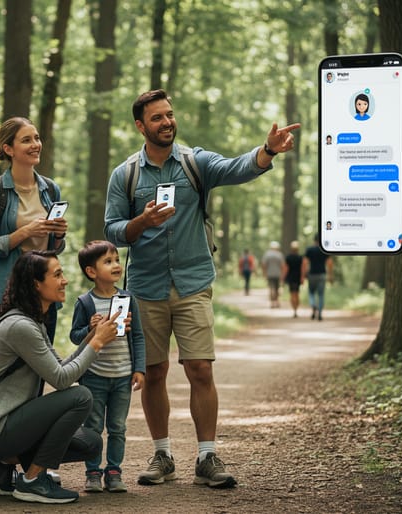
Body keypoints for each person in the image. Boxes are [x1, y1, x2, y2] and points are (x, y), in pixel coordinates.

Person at [103, 89, 299, 489]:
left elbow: (237, 168)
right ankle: (163, 455)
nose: (167, 122)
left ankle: (208, 456)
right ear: (141, 126)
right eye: (157, 118)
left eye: (170, 115)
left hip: (193, 282)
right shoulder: (126, 174)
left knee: (200, 369)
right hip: (145, 287)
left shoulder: (196, 163)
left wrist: (267, 151)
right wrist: (141, 222)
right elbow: (112, 230)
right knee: (154, 373)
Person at [0, 250, 121, 504]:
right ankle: (32, 480)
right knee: (81, 396)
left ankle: (4, 464)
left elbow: (60, 366)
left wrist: (92, 336)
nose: (65, 280)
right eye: (57, 274)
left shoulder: (33, 322)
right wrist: (97, 344)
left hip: (2, 426)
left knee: (90, 444)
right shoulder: (21, 327)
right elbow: (61, 380)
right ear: (36, 284)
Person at [0, 117, 68, 342]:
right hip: (7, 295)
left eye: (36, 138)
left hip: (45, 293)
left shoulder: (51, 189)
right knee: (8, 371)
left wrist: (59, 235)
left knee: (40, 371)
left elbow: (56, 247)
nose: (35, 144)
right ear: (8, 149)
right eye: (26, 140)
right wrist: (25, 232)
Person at [69, 240, 146, 494]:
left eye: (116, 260)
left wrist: (140, 368)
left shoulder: (127, 298)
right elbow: (74, 336)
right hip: (94, 376)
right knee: (92, 427)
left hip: (122, 375)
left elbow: (137, 336)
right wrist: (90, 328)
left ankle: (114, 471)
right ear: (91, 271)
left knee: (118, 427)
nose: (116, 265)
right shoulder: (85, 302)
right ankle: (92, 472)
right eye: (108, 261)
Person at [303, 233, 334, 321]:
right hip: (322, 274)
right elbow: (330, 263)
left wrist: (304, 274)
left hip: (312, 274)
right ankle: (319, 313)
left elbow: (305, 262)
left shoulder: (309, 249)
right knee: (321, 295)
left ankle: (313, 305)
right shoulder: (324, 249)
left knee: (311, 293)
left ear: (314, 240)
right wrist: (331, 275)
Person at [261, 241, 285, 308]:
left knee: (271, 288)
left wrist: (264, 273)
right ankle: (277, 302)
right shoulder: (279, 254)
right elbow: (283, 265)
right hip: (278, 274)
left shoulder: (267, 254)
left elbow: (264, 264)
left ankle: (272, 303)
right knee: (277, 288)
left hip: (269, 274)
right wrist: (282, 274)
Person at [283, 241, 304, 318]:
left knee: (292, 294)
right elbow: (302, 268)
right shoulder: (300, 257)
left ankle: (294, 309)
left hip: (291, 278)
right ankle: (296, 309)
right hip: (297, 278)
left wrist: (283, 278)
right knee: (297, 294)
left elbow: (286, 269)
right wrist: (302, 277)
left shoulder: (288, 257)